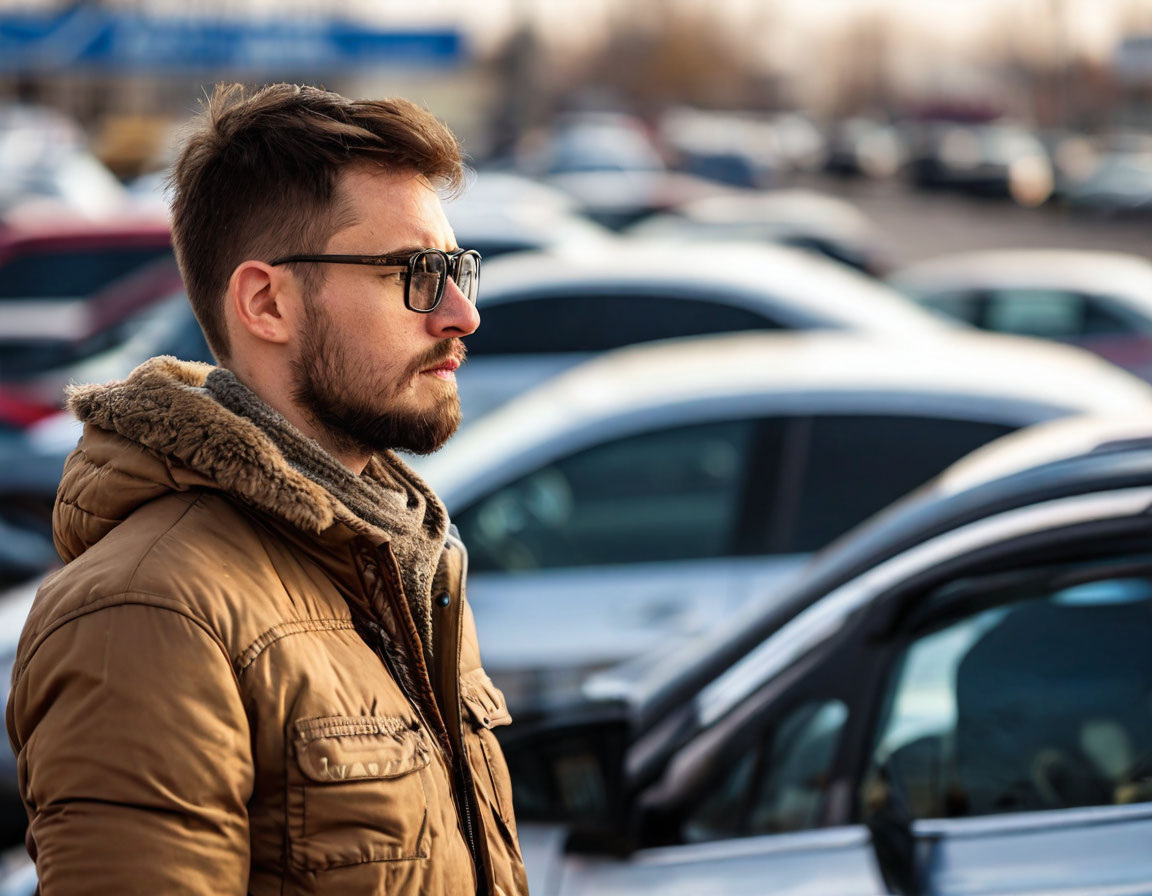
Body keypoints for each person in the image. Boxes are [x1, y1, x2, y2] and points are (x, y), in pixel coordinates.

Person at [6, 82, 527, 896]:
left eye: (457, 269)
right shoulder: (151, 613)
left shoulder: (401, 558)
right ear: (266, 301)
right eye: (414, 273)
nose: (460, 313)